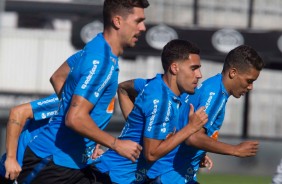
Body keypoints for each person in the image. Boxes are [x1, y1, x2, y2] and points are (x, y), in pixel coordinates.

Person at [16, 0, 149, 183]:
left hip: (67, 163)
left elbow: (58, 77)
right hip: (52, 164)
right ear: (117, 21)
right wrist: (116, 144)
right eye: (138, 21)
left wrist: (89, 134)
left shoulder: (96, 47)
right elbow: (75, 118)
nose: (143, 27)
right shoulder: (102, 62)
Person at [120, 44, 264, 183]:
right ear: (233, 73)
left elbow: (124, 87)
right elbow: (193, 137)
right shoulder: (215, 94)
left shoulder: (210, 88)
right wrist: (235, 150)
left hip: (171, 173)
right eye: (249, 81)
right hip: (169, 175)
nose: (250, 87)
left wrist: (198, 152)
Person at [94, 39, 209, 183]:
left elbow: (123, 88)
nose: (199, 75)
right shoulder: (162, 100)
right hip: (113, 177)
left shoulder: (153, 84)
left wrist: (137, 123)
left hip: (125, 176)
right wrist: (190, 128)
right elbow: (151, 154)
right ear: (174, 68)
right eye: (194, 68)